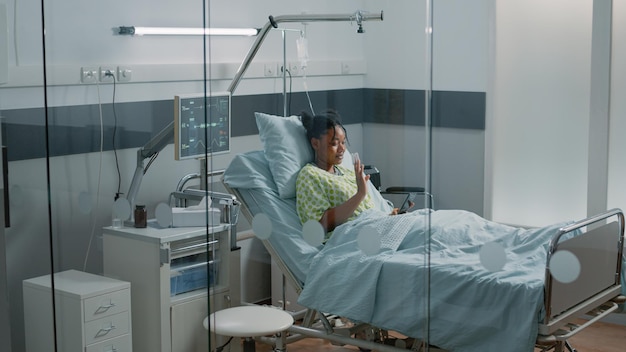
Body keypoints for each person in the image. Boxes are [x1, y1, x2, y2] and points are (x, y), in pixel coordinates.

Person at [295, 110, 402, 236]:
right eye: (334, 143)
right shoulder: (309, 175)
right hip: (352, 237)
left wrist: (392, 215)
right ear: (315, 143)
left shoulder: (348, 173)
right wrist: (360, 194)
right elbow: (317, 226)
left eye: (343, 142)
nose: (342, 149)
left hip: (377, 226)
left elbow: (368, 212)